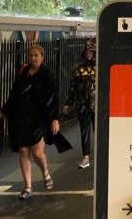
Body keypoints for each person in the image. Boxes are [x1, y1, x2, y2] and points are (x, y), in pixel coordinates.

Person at [0, 44, 60, 200]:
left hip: (38, 118)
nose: (33, 58)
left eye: (36, 56)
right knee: (23, 151)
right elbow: (14, 94)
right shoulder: (23, 73)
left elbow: (54, 97)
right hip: (21, 118)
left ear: (42, 57)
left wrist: (55, 118)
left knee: (37, 152)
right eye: (31, 55)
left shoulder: (47, 75)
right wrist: (5, 111)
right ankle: (27, 187)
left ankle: (45, 173)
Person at [63, 38, 96, 169]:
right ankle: (86, 157)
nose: (89, 53)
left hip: (98, 105)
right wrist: (69, 103)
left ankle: (100, 156)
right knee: (85, 132)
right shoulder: (78, 69)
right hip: (83, 105)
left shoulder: (100, 66)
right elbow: (73, 88)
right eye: (87, 51)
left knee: (99, 132)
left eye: (91, 51)